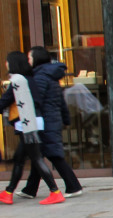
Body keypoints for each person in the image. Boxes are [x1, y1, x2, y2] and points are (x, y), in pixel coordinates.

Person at [0, 52, 63, 205]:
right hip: (33, 122)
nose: (6, 64)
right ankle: (8, 193)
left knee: (36, 158)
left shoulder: (18, 80)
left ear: (13, 63)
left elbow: (5, 101)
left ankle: (55, 192)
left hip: (27, 125)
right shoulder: (28, 79)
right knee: (19, 160)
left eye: (7, 62)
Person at [22, 46, 82, 198]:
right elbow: (60, 102)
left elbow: (37, 101)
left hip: (46, 121)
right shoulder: (49, 75)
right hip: (52, 120)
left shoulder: (41, 77)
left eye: (29, 57)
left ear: (36, 58)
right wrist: (65, 118)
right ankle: (30, 189)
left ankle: (73, 186)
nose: (28, 61)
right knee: (40, 154)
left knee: (53, 155)